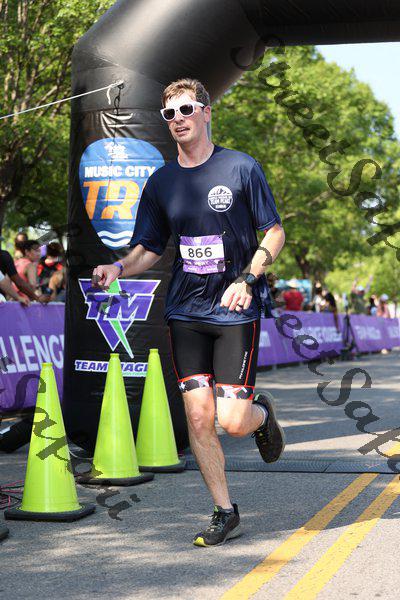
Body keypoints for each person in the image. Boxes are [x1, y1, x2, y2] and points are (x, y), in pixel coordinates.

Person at [92, 78, 286, 547]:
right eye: (169, 114)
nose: (177, 119)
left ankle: (261, 415)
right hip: (185, 311)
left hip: (234, 308)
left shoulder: (241, 168)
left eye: (185, 109)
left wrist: (248, 278)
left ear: (205, 112)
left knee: (232, 422)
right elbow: (148, 248)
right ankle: (224, 510)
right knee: (199, 418)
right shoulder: (161, 182)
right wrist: (117, 267)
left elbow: (274, 232)